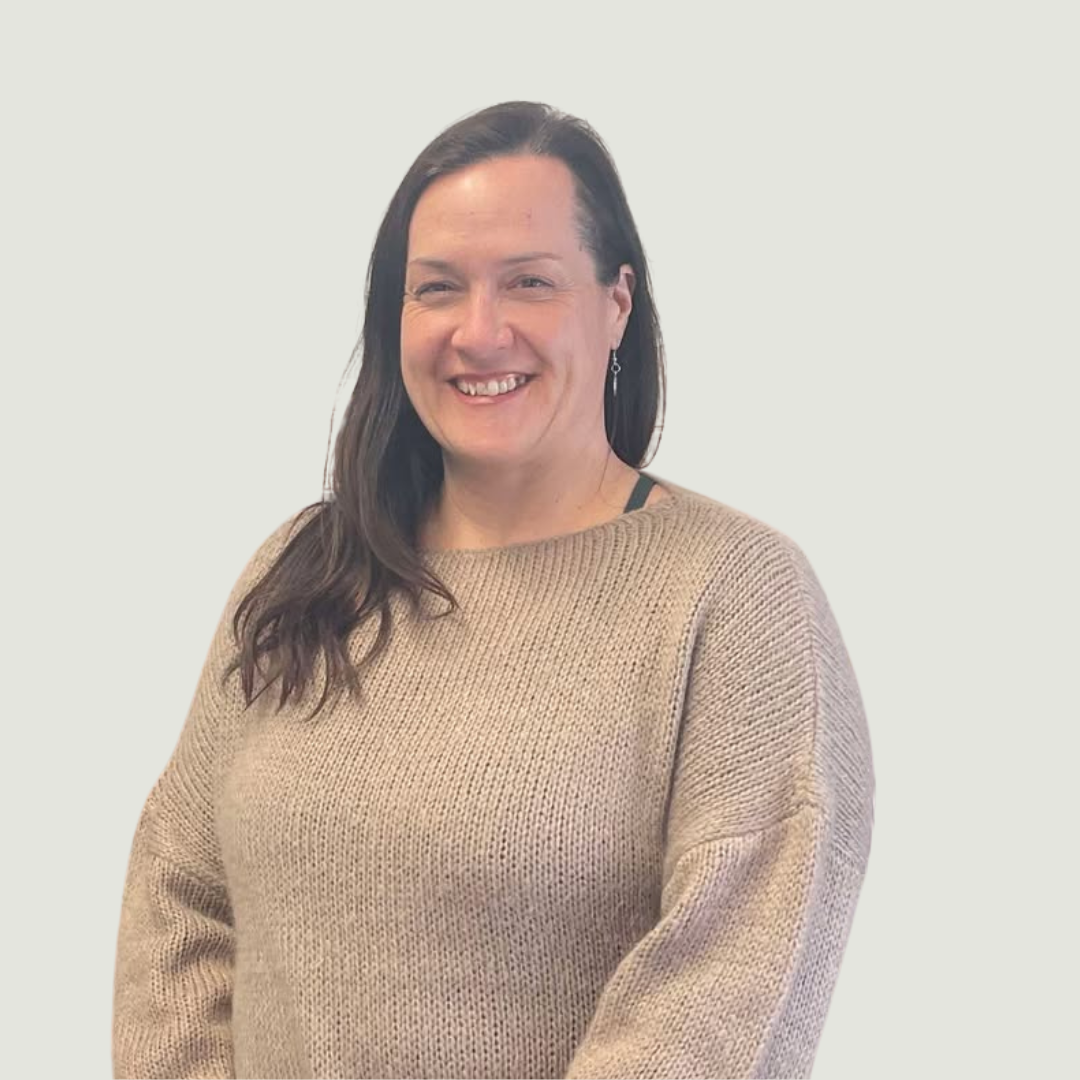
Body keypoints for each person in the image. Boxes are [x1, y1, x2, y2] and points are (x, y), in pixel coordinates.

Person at [112, 101, 875, 1079]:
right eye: (438, 288)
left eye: (529, 282)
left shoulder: (733, 597)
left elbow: (723, 988)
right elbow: (180, 894)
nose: (479, 332)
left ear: (616, 303)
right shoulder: (305, 567)